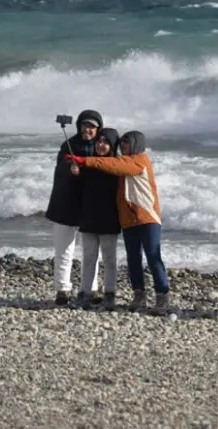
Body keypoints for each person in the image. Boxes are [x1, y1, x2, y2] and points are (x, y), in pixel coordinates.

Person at [66, 130, 169, 313]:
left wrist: (85, 160)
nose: (123, 147)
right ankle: (139, 295)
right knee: (133, 259)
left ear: (137, 144)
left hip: (147, 218)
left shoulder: (139, 160)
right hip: (128, 220)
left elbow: (116, 164)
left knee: (153, 257)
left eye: (127, 143)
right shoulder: (121, 164)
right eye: (121, 144)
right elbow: (109, 169)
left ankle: (162, 296)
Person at [44, 109, 103, 306]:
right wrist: (71, 170)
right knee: (64, 248)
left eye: (92, 127)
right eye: (85, 125)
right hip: (66, 204)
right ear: (79, 126)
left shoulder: (101, 147)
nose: (88, 129)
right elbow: (61, 169)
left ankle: (91, 288)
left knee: (91, 250)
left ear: (98, 129)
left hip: (91, 206)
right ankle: (63, 289)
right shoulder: (68, 146)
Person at [76, 127, 122, 310]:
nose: (101, 145)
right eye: (99, 142)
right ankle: (86, 291)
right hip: (88, 217)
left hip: (109, 219)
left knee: (110, 258)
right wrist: (76, 172)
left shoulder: (117, 166)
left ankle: (110, 292)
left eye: (105, 142)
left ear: (112, 146)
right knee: (88, 257)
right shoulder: (88, 164)